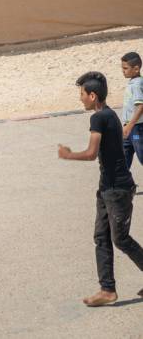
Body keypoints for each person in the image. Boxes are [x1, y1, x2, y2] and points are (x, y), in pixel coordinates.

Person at [57, 71, 143, 307]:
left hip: (118, 189)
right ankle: (107, 290)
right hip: (108, 188)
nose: (80, 98)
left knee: (121, 239)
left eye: (82, 94)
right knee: (101, 237)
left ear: (92, 95)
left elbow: (91, 153)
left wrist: (68, 155)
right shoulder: (109, 115)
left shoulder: (99, 118)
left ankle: (108, 288)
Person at [120, 52, 143, 171]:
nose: (123, 71)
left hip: (136, 129)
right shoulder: (133, 83)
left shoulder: (137, 84)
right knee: (124, 156)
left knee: (141, 154)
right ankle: (124, 185)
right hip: (129, 128)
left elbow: (140, 107)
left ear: (136, 69)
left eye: (125, 68)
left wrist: (130, 125)